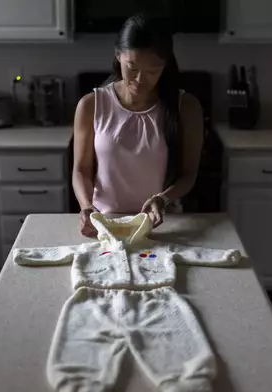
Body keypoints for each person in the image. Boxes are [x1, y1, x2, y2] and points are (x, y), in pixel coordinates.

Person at [72, 14, 204, 237]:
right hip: (105, 224)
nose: (141, 79)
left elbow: (188, 175)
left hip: (163, 225)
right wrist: (86, 206)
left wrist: (163, 199)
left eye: (153, 71)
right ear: (118, 55)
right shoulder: (91, 105)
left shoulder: (186, 107)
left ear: (165, 65)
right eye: (132, 68)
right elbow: (81, 169)